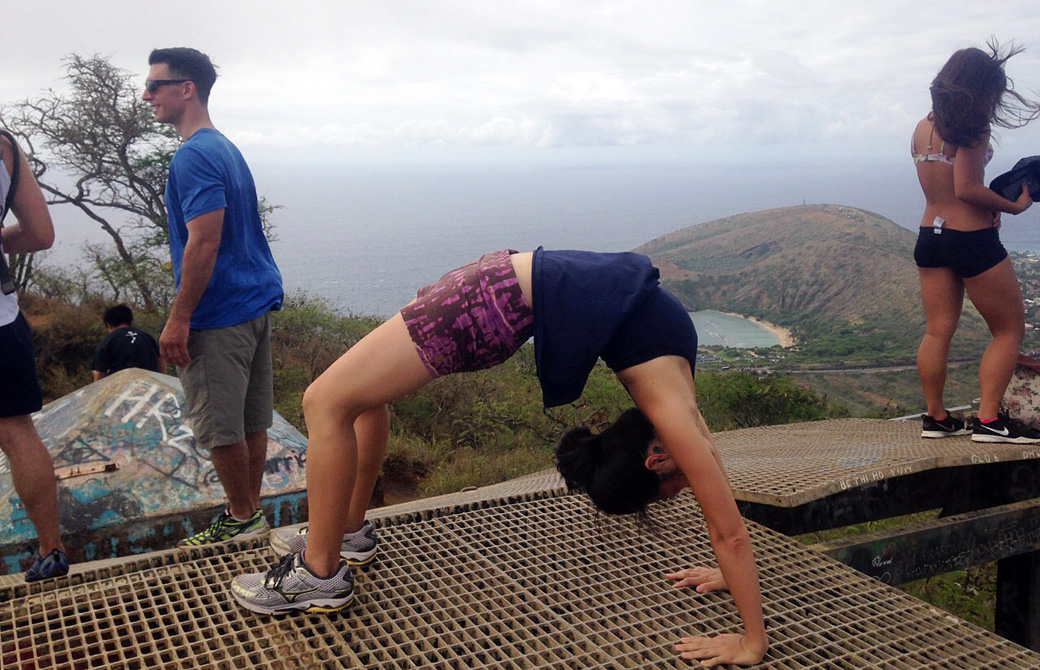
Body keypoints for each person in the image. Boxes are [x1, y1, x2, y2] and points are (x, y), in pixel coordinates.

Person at [230, 249, 768, 667]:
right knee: (327, 402)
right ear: (655, 462)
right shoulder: (675, 417)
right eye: (675, 490)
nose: (690, 484)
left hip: (495, 280)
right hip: (490, 301)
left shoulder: (673, 405)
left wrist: (729, 574)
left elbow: (720, 508)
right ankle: (320, 571)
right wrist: (751, 641)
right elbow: (730, 533)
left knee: (351, 399)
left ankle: (343, 535)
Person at [144, 48, 283, 547]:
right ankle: (250, 514)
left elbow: (205, 240)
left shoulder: (192, 155)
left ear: (187, 89)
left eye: (156, 86)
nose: (147, 95)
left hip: (218, 314)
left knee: (221, 426)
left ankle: (242, 517)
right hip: (252, 303)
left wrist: (179, 318)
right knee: (251, 419)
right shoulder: (223, 147)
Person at [912, 40, 1040, 443]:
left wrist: (990, 204)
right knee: (1008, 329)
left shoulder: (922, 126)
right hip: (970, 238)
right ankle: (988, 421)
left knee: (937, 331)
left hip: (930, 234)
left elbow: (945, 188)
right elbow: (967, 188)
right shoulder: (971, 130)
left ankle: (936, 418)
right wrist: (1013, 205)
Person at [0, 128, 67, 581]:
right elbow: (41, 234)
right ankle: (52, 550)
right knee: (18, 433)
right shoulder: (4, 145)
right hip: (1, 322)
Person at [92, 304, 163, 381]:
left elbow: (100, 373)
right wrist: (162, 379)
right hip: (150, 385)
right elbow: (160, 359)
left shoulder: (107, 341)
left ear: (109, 325)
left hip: (122, 387)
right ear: (130, 321)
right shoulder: (147, 336)